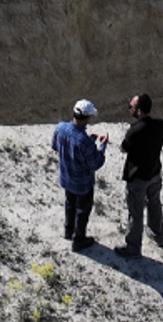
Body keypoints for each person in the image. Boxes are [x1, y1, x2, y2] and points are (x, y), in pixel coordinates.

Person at [114, 90, 163, 258]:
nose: (129, 108)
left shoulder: (134, 131)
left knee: (136, 212)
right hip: (154, 172)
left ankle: (133, 247)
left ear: (139, 111)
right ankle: (157, 233)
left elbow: (123, 148)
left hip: (138, 177)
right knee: (155, 203)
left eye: (131, 106)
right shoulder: (159, 125)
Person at [51, 98, 109, 250]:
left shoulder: (60, 128)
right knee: (82, 210)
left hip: (66, 178)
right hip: (83, 184)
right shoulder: (85, 142)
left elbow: (55, 146)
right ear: (87, 118)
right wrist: (102, 146)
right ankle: (79, 239)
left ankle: (68, 231)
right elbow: (96, 163)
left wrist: (90, 140)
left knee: (69, 204)